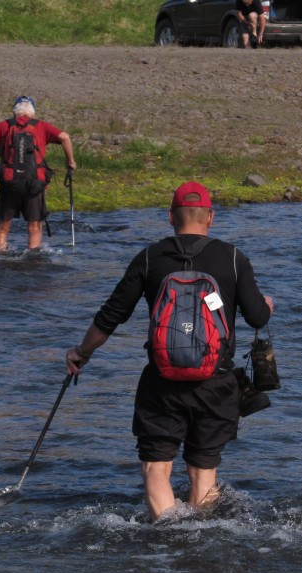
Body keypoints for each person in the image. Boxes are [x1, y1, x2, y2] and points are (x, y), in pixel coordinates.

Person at [65, 182, 274, 521]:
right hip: (216, 385)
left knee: (155, 471)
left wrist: (81, 353)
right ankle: (195, 545)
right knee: (203, 474)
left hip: (161, 383)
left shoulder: (149, 257)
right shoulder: (233, 258)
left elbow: (111, 316)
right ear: (211, 217)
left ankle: (169, 538)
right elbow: (256, 317)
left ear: (170, 217)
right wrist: (268, 304)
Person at [0, 96, 76, 252]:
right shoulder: (41, 126)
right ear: (32, 113)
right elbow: (65, 137)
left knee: (2, 226)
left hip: (10, 183)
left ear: (15, 113)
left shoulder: (5, 125)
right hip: (34, 183)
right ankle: (32, 257)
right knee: (34, 226)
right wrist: (71, 162)